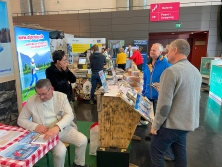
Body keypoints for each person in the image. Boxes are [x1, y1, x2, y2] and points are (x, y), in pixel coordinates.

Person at [150, 39, 202, 167]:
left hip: (173, 124)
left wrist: (155, 125)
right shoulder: (195, 71)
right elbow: (190, 96)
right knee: (180, 154)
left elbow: (164, 105)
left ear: (175, 50)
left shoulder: (171, 71)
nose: (166, 53)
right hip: (187, 122)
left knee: (156, 150)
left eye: (168, 50)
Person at [17, 79, 91, 167]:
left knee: (83, 140)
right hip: (45, 133)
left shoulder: (61, 97)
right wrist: (35, 126)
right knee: (61, 151)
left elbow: (69, 115)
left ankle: (79, 164)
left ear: (51, 89)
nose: (41, 97)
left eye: (44, 94)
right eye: (39, 94)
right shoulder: (31, 100)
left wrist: (57, 127)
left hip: (62, 129)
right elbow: (21, 120)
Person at [46, 50, 77, 121]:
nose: (66, 62)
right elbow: (56, 87)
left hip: (68, 98)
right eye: (64, 60)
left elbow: (73, 80)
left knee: (72, 119)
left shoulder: (64, 69)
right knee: (61, 120)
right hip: (58, 101)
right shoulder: (50, 71)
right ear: (58, 61)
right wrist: (66, 82)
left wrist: (66, 70)